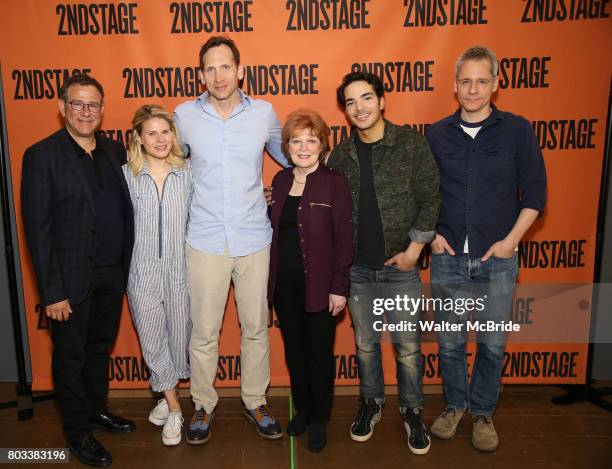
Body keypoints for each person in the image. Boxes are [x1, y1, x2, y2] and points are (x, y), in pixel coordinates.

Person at [426, 46, 547, 452]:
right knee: (450, 343)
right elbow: (423, 193)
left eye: (482, 81)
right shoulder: (436, 133)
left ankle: (482, 413)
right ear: (454, 86)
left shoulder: (517, 130)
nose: (473, 89)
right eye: (465, 81)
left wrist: (512, 241)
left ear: (497, 84)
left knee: (492, 343)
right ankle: (454, 405)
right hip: (448, 259)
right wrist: (431, 236)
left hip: (498, 259)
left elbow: (535, 193)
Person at [173, 35, 289, 444]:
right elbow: (169, 163)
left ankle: (256, 400)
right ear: (201, 74)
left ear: (241, 70)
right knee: (203, 331)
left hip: (254, 237)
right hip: (204, 240)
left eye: (226, 67)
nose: (219, 76)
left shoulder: (264, 113)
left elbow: (292, 155)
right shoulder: (184, 115)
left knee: (256, 328)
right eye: (210, 68)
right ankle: (202, 404)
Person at [21, 73, 135, 467]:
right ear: (61, 107)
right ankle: (76, 431)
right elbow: (37, 231)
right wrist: (52, 292)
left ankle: (95, 410)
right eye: (78, 104)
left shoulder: (114, 150)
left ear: (102, 110)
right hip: (68, 282)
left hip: (111, 274)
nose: (86, 112)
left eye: (93, 105)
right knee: (70, 358)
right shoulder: (41, 155)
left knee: (99, 351)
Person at [327, 72, 441, 455]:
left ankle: (412, 411)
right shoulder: (340, 155)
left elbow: (431, 199)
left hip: (400, 269)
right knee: (365, 346)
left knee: (408, 348)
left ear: (382, 100)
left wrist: (414, 251)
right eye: (350, 102)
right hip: (358, 271)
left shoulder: (410, 144)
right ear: (345, 110)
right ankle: (372, 403)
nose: (359, 108)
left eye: (366, 98)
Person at [268, 109, 353, 452]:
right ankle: (302, 409)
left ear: (322, 145)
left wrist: (339, 286)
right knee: (295, 352)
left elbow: (345, 239)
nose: (304, 147)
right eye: (296, 141)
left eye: (311, 140)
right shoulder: (280, 181)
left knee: (319, 354)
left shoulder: (335, 182)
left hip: (320, 285)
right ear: (287, 147)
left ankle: (319, 418)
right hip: (284, 286)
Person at [122, 105, 192, 446]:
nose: (160, 139)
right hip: (141, 272)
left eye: (165, 131)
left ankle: (167, 396)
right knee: (152, 340)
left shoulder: (189, 173)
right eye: (151, 132)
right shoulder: (126, 175)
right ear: (138, 137)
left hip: (182, 272)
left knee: (180, 342)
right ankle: (175, 406)